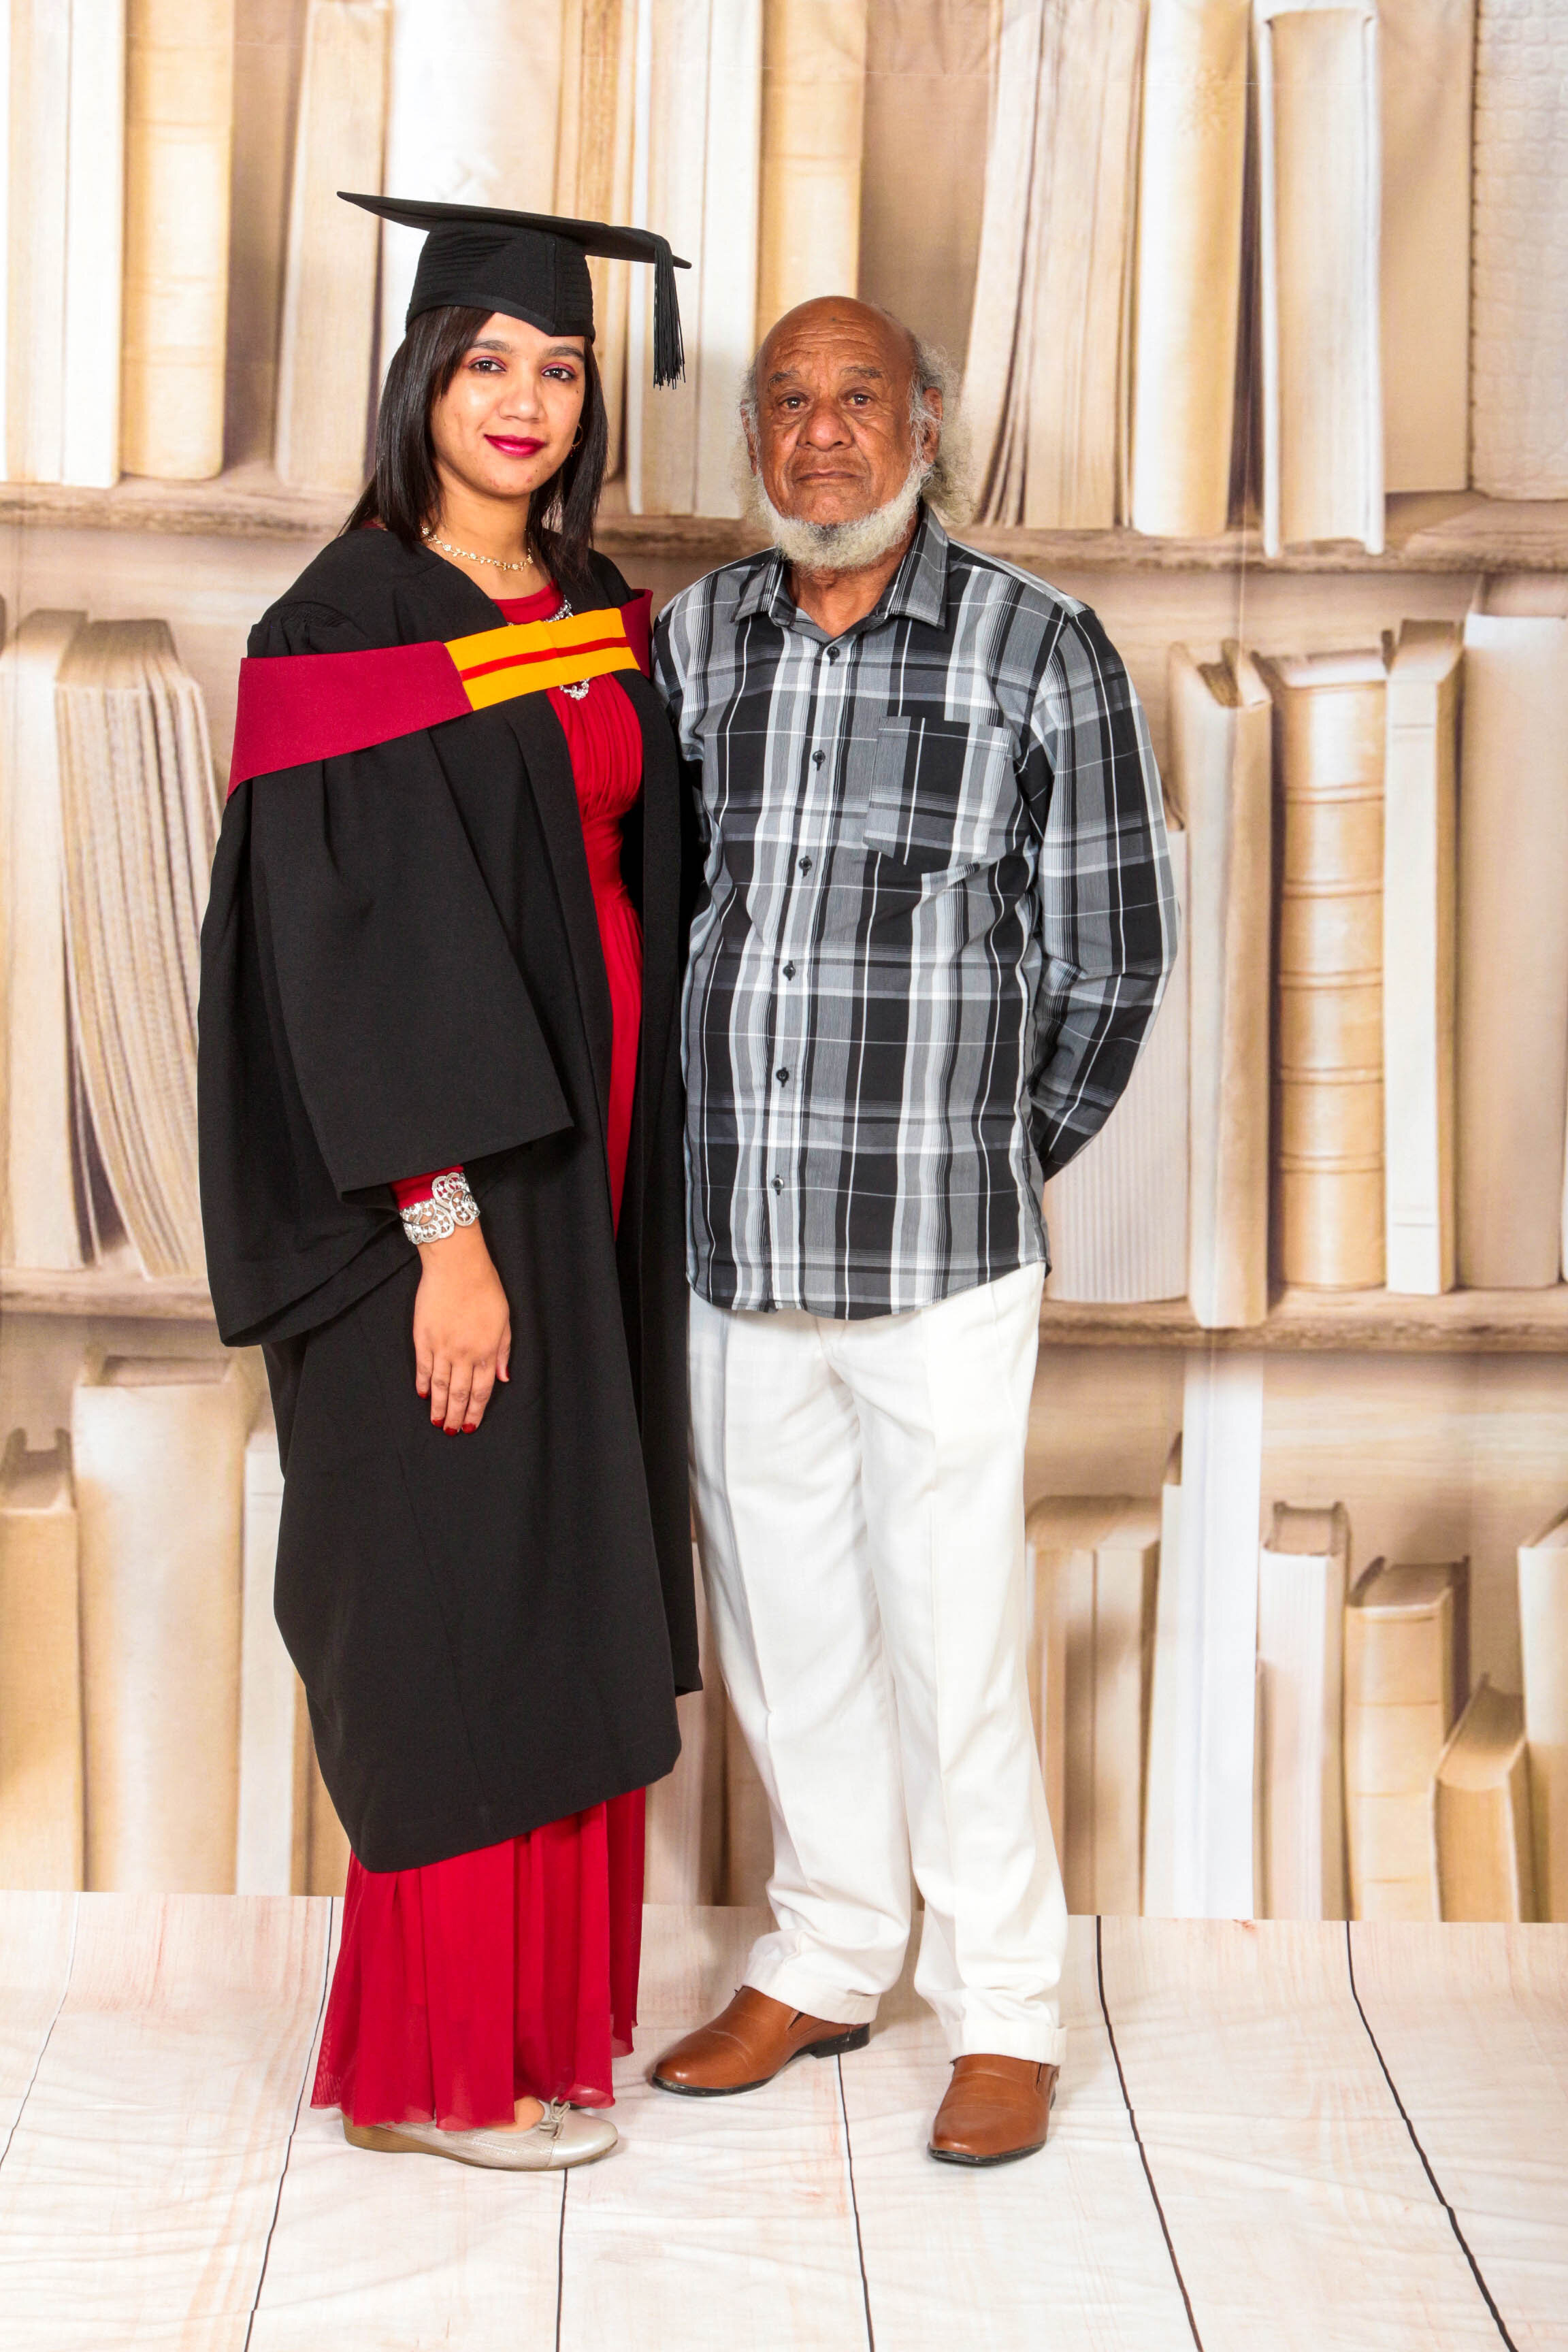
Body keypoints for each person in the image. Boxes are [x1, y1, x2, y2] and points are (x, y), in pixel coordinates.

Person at [199, 197, 697, 2172]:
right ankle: (441, 2066)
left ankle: (554, 2034)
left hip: (595, 1177)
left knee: (557, 1574)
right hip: (448, 1200)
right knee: (454, 1592)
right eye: (487, 361)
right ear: (421, 378)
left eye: (560, 367)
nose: (526, 400)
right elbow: (346, 954)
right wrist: (444, 1233)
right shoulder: (346, 627)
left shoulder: (590, 601)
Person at [649, 298, 1176, 2165]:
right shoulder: (696, 641)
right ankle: (827, 1954)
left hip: (940, 1257)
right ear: (754, 442)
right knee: (787, 1637)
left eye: (858, 398)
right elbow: (659, 910)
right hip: (734, 1244)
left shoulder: (1041, 647)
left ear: (927, 425)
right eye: (787, 404)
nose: (822, 435)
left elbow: (1114, 958)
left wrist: (992, 1152)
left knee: (956, 1647)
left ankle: (1007, 2009)